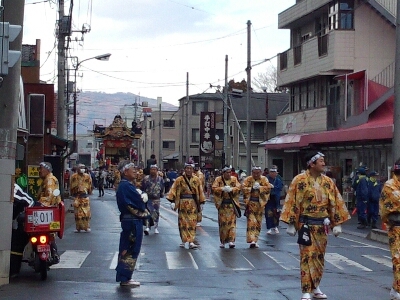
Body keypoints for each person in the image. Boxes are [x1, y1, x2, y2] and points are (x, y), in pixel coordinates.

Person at [280, 151, 350, 300]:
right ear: (312, 164)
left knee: (319, 257)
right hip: (306, 224)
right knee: (307, 256)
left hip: (322, 225)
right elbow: (292, 201)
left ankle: (316, 286)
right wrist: (291, 223)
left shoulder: (328, 181)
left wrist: (337, 223)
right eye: (321, 161)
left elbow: (335, 202)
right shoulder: (299, 180)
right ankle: (306, 290)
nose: (324, 164)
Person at [115, 160, 150, 287]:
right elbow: (138, 203)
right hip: (132, 221)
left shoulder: (125, 185)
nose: (135, 171)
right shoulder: (126, 186)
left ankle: (125, 276)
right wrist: (142, 198)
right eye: (132, 169)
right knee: (130, 248)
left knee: (127, 247)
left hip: (129, 220)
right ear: (125, 172)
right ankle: (125, 277)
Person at [166, 162, 206, 249]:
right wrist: (172, 201)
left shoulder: (196, 180)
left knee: (192, 222)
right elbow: (173, 189)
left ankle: (191, 241)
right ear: (184, 169)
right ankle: (184, 240)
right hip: (182, 203)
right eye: (187, 168)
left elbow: (200, 191)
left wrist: (202, 202)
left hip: (193, 203)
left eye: (190, 168)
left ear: (193, 170)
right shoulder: (179, 179)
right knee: (183, 223)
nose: (188, 170)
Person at [380, 161, 400, 299]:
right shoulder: (390, 185)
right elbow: (388, 206)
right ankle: (397, 289)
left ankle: (395, 288)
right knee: (398, 259)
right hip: (397, 226)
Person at [242, 166, 272, 248]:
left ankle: (255, 239)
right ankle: (252, 239)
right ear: (252, 172)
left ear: (261, 172)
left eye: (258, 173)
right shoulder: (248, 179)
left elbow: (268, 187)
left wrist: (260, 188)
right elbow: (243, 188)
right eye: (254, 173)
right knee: (252, 222)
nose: (256, 175)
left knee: (258, 222)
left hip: (260, 204)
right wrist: (251, 188)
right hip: (251, 203)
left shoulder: (264, 179)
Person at [212, 165, 241, 248]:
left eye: (230, 172)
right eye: (227, 172)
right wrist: (222, 189)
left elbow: (239, 187)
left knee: (232, 223)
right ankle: (223, 241)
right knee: (223, 223)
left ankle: (231, 240)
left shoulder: (234, 179)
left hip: (231, 204)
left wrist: (232, 189)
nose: (229, 174)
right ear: (223, 173)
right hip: (223, 205)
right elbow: (214, 188)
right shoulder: (218, 179)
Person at [10, 183, 35, 278]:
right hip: (15, 219)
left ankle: (13, 271)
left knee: (16, 244)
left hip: (21, 219)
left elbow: (29, 202)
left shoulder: (14, 190)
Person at [141, 164, 164, 234]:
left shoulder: (160, 179)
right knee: (147, 213)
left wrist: (161, 194)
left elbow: (162, 188)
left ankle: (155, 227)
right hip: (148, 199)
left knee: (156, 213)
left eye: (154, 169)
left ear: (157, 170)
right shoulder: (146, 178)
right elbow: (143, 188)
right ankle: (147, 227)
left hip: (156, 199)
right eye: (152, 169)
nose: (153, 171)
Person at [70, 163, 93, 233]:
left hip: (85, 196)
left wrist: (89, 191)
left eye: (83, 167)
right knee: (77, 214)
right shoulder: (73, 176)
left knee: (86, 213)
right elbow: (71, 186)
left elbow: (90, 185)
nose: (82, 169)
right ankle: (78, 228)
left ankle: (86, 227)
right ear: (77, 169)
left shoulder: (87, 176)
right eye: (81, 167)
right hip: (77, 197)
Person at [265, 165, 283, 235]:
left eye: (274, 172)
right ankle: (269, 228)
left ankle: (275, 226)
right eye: (271, 172)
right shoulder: (266, 179)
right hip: (269, 199)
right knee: (268, 213)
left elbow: (280, 187)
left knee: (276, 213)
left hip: (276, 198)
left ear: (276, 173)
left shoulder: (278, 179)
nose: (272, 173)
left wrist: (274, 187)